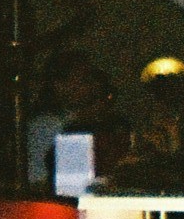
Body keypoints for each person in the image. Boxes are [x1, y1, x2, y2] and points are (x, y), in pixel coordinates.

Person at [22, 52, 128, 193]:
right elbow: (69, 178)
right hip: (48, 196)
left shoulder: (83, 121)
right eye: (84, 80)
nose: (91, 87)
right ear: (60, 85)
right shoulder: (48, 124)